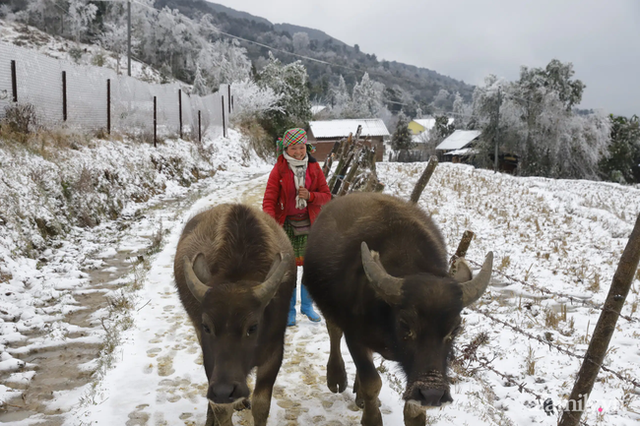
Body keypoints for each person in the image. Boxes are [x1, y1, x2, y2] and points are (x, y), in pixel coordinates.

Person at [263, 128, 332, 326]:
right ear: (286, 149)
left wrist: (310, 196)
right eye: (293, 148)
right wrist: (271, 226)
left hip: (310, 224)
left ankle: (307, 306)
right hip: (286, 226)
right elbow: (269, 200)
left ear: (306, 147)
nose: (298, 152)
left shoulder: (314, 168)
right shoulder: (280, 170)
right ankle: (289, 310)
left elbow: (326, 196)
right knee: (289, 269)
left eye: (301, 147)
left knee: (311, 267)